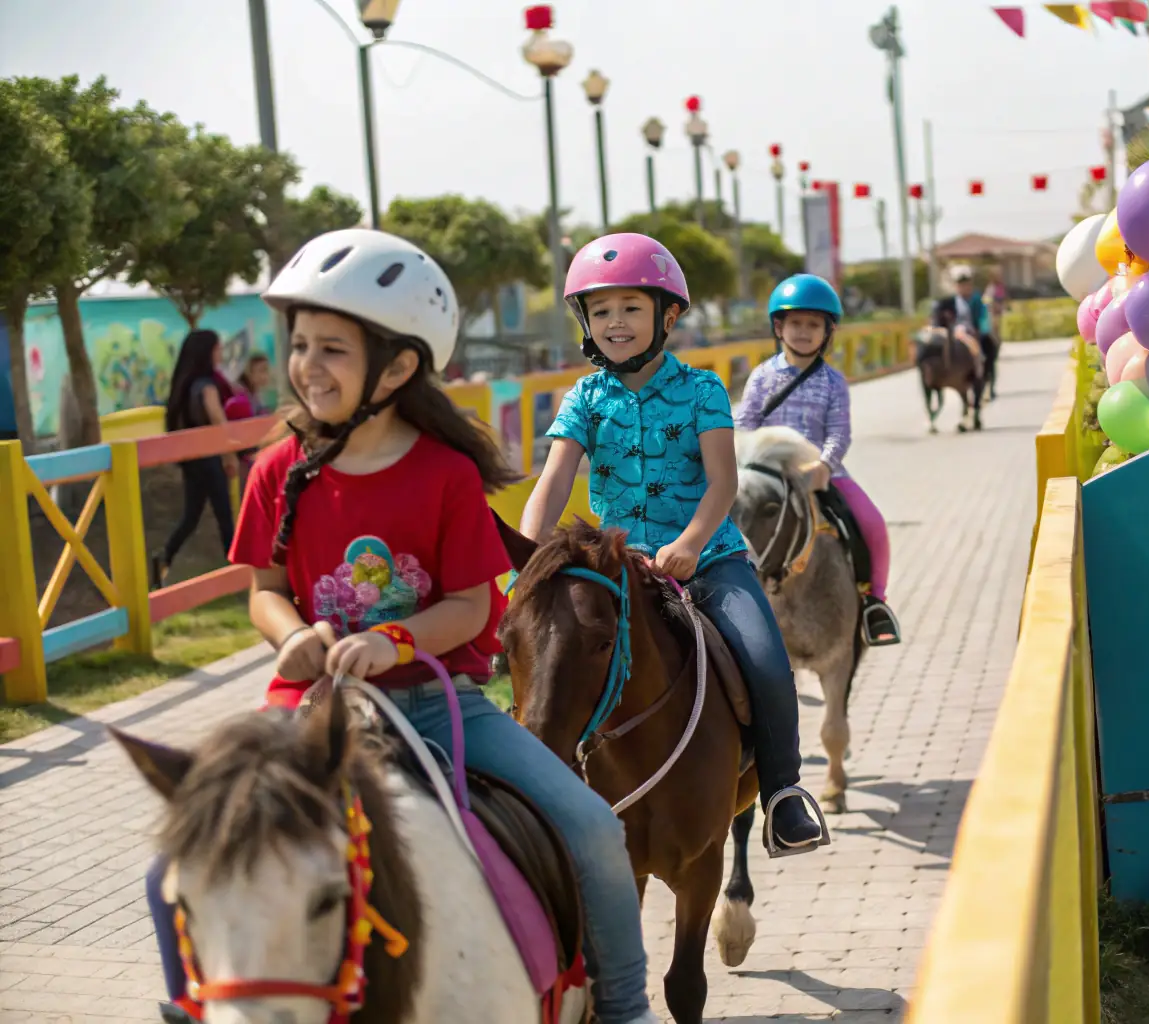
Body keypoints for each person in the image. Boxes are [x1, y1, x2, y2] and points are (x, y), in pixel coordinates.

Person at [144, 229, 658, 1024]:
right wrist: (291, 638)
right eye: (302, 345)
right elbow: (263, 590)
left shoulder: (444, 474)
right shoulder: (280, 468)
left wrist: (394, 640)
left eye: (333, 350)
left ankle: (626, 1011)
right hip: (309, 714)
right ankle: (199, 1005)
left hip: (436, 703)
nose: (308, 366)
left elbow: (473, 605)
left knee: (590, 827)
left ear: (397, 366)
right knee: (172, 859)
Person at [520, 232, 828, 857]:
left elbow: (723, 482)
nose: (615, 323)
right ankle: (531, 786)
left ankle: (784, 794)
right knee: (541, 658)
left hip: (709, 561)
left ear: (668, 315)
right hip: (616, 570)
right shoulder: (583, 398)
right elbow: (552, 483)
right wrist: (526, 561)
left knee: (767, 661)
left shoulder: (702, 390)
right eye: (601, 311)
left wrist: (690, 542)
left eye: (630, 308)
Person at [734, 273, 901, 647]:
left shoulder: (834, 382)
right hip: (765, 475)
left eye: (814, 324)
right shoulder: (762, 377)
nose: (804, 332)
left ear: (828, 331)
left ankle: (875, 603)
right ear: (779, 327)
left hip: (820, 472)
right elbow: (744, 425)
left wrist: (823, 467)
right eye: (796, 323)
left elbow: (839, 433)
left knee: (873, 524)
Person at [151, 330, 237, 589]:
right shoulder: (207, 386)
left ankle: (164, 557)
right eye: (217, 349)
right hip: (210, 459)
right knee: (225, 516)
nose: (220, 354)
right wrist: (230, 454)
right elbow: (220, 423)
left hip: (192, 460)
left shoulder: (185, 385)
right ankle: (238, 573)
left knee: (191, 516)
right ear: (207, 352)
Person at [931, 265, 990, 379]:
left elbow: (983, 316)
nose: (964, 288)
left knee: (981, 346)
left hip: (971, 330)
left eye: (966, 285)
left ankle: (979, 370)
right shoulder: (950, 302)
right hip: (953, 331)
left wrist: (982, 329)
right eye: (960, 285)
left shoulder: (977, 299)